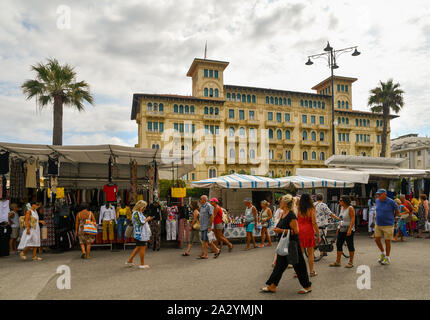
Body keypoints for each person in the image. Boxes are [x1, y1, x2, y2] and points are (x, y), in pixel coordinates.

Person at [260, 194, 312, 294]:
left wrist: (281, 230)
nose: (279, 203)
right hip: (284, 244)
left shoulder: (291, 215)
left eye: (281, 201)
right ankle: (272, 286)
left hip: (292, 244)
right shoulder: (283, 213)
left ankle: (307, 286)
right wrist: (278, 230)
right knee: (279, 266)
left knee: (299, 265)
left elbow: (296, 231)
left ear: (285, 203)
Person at [329, 195, 356, 268]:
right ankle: (338, 262)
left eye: (341, 200)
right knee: (338, 244)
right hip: (341, 228)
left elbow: (353, 219)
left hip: (348, 229)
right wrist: (338, 228)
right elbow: (341, 219)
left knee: (350, 245)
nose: (339, 201)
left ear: (345, 201)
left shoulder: (350, 208)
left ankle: (351, 262)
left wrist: (350, 229)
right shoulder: (341, 208)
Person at [374, 189, 399, 265]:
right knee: (377, 239)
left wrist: (393, 217)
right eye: (378, 194)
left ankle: (387, 258)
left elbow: (397, 210)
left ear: (384, 194)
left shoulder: (391, 201)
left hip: (388, 224)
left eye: (380, 194)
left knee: (387, 241)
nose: (378, 196)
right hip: (378, 224)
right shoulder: (377, 200)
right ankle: (383, 253)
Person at [297, 194, 320, 277]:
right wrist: (318, 234)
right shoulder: (311, 208)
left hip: (299, 230)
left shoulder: (298, 208)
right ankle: (311, 271)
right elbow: (314, 222)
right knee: (310, 253)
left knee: (300, 253)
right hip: (308, 231)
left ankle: (297, 272)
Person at [126, 200, 153, 269]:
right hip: (140, 234)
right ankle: (142, 264)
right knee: (142, 247)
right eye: (144, 207)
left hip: (140, 233)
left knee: (138, 247)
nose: (144, 209)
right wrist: (147, 219)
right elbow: (141, 223)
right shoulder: (136, 213)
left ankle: (130, 260)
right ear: (140, 207)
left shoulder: (138, 213)